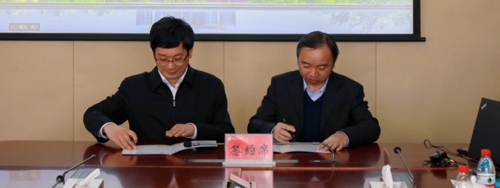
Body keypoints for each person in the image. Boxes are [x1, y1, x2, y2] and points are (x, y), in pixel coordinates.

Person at [84, 16, 235, 149]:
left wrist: (194, 130)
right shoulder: (134, 87)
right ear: (153, 53)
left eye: (177, 59)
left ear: (190, 52)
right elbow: (93, 114)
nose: (170, 66)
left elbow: (226, 132)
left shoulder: (211, 85)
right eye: (162, 59)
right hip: (146, 166)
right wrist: (110, 128)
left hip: (196, 166)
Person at [247, 31, 380, 151]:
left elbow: (371, 127)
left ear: (333, 63)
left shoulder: (349, 89)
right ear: (298, 60)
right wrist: (273, 130)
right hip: (290, 163)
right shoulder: (281, 84)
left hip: (333, 162)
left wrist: (344, 136)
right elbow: (255, 124)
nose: (313, 73)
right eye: (306, 66)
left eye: (322, 68)